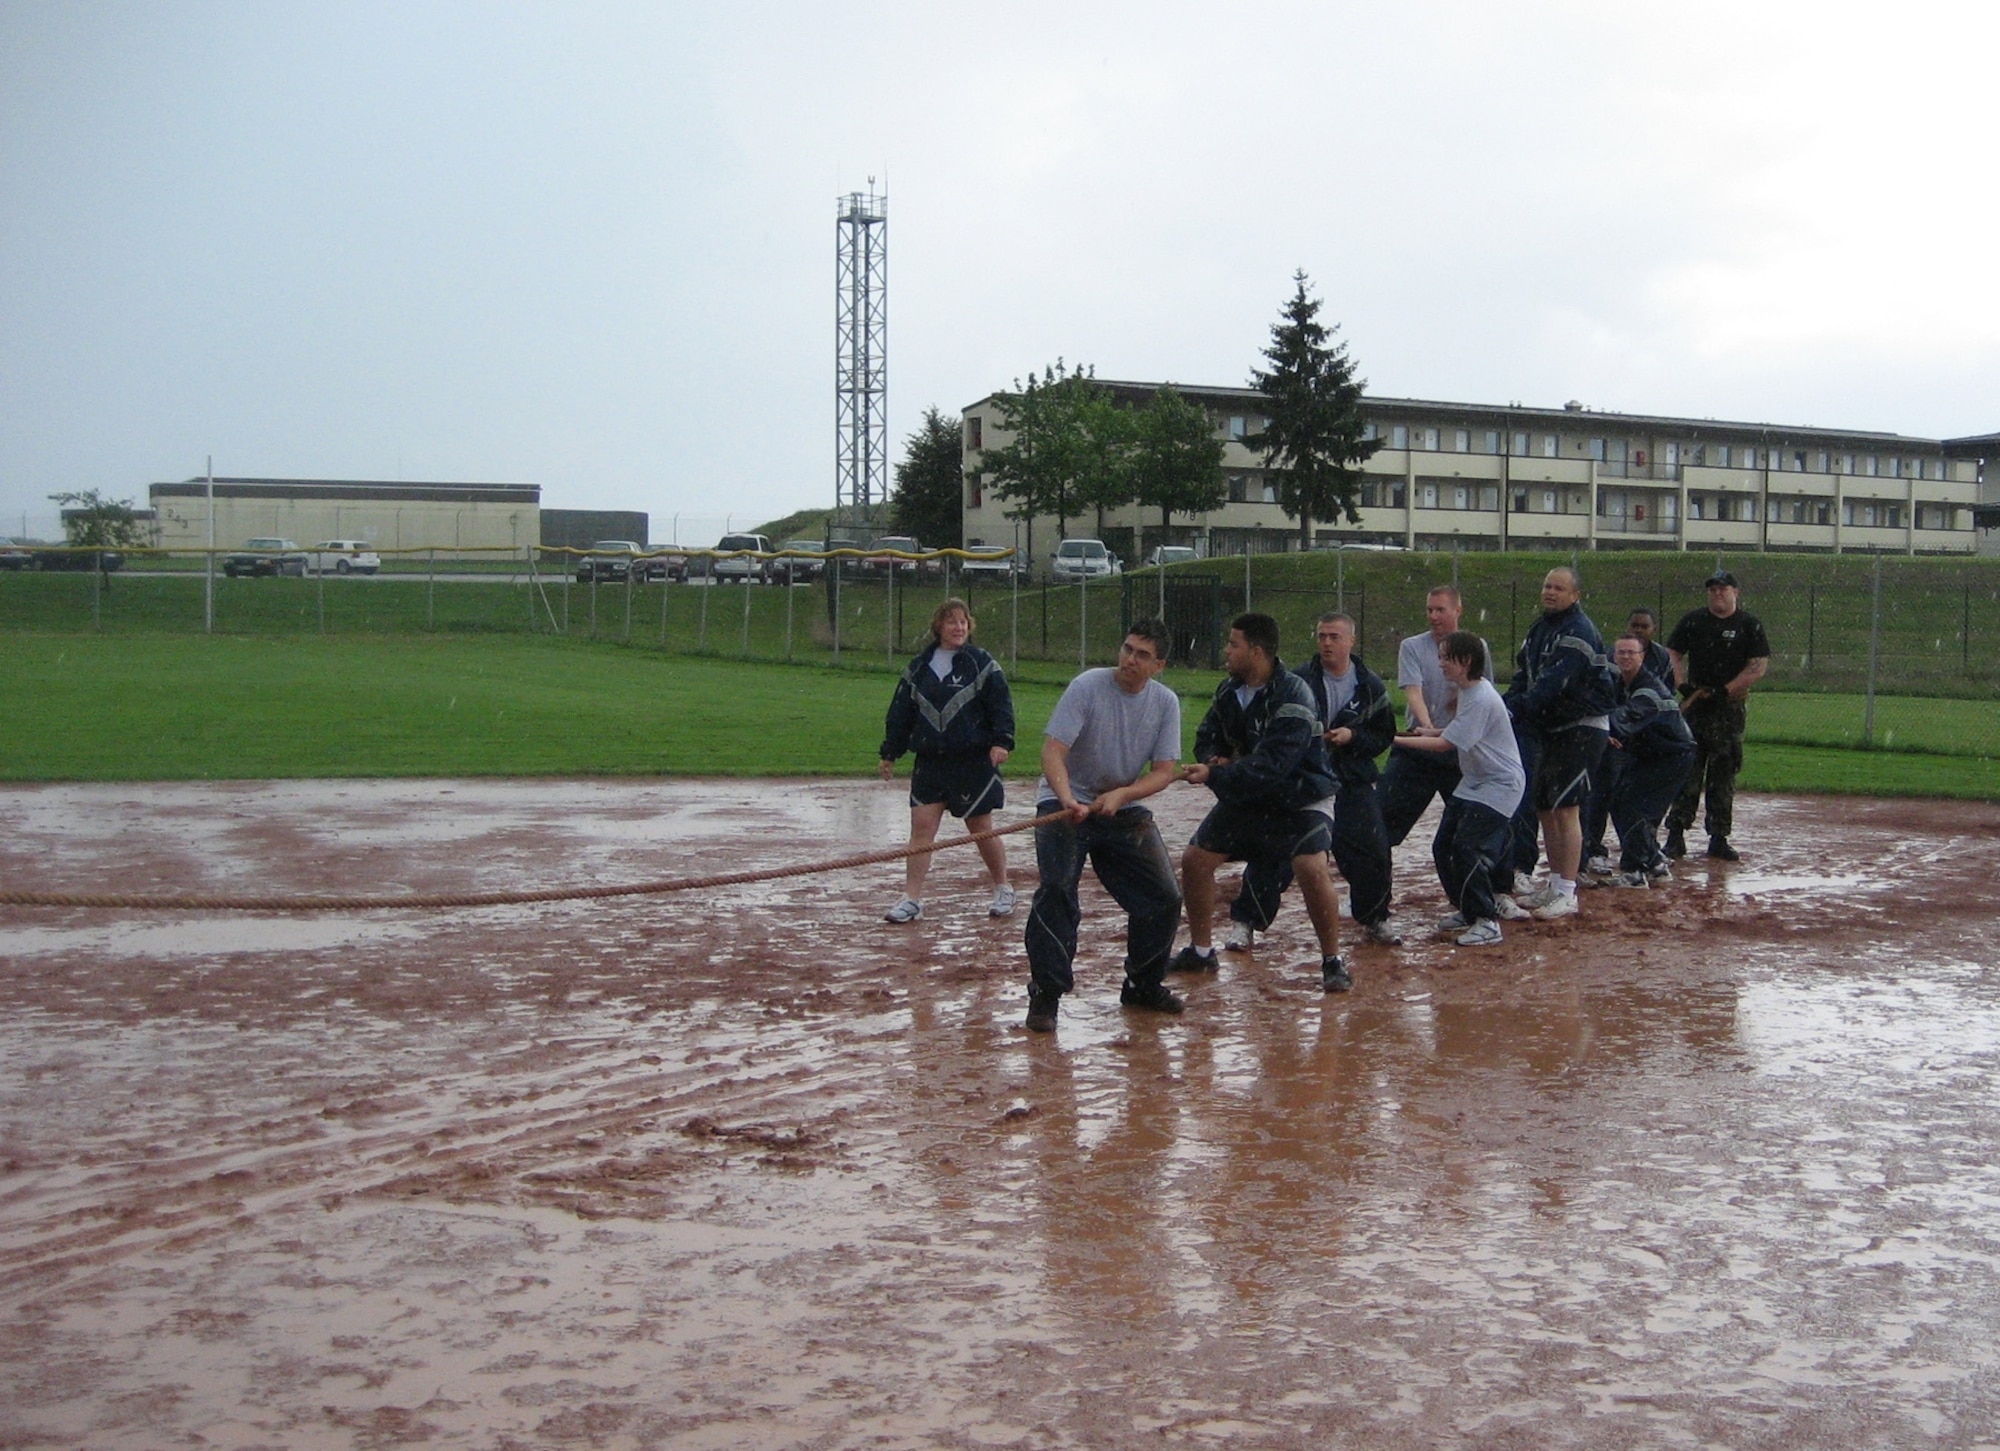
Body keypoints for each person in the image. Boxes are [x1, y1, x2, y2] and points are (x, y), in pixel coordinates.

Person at [1172, 613, 1351, 994]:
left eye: (1233, 644)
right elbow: (1207, 735)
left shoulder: (1295, 694)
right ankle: (1201, 952)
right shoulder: (1228, 690)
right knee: (1194, 861)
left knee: (1309, 866)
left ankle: (1332, 960)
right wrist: (1213, 757)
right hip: (1250, 795)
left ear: (1256, 651)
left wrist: (1217, 774)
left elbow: (1275, 765)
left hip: (1302, 796)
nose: (1226, 650)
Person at [1023, 619, 1186, 1033]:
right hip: (1063, 802)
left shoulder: (1165, 703)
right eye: (1128, 648)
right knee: (1057, 888)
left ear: (1159, 665)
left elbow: (1164, 772)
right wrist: (1066, 798)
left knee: (1164, 895)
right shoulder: (1087, 686)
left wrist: (1122, 795)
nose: (1130, 659)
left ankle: (1142, 984)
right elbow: (1052, 753)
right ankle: (1046, 993)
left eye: (1142, 655)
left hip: (1119, 806)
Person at [1224, 612, 1401, 951]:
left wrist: (1353, 737)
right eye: (1322, 636)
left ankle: (1376, 916)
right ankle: (1245, 922)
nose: (1327, 643)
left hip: (1350, 781)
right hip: (1302, 782)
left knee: (1371, 848)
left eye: (1335, 637)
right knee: (1273, 850)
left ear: (1351, 641)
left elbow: (1383, 735)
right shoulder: (1297, 680)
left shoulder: (1369, 685)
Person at [878, 598, 1016, 922]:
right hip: (930, 762)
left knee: (980, 828)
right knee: (921, 830)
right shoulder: (917, 668)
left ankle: (1003, 887)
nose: (959, 628)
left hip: (972, 761)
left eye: (964, 622)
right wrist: (890, 752)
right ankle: (911, 899)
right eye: (952, 622)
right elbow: (900, 713)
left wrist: (1002, 741)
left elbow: (1001, 705)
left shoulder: (982, 664)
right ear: (939, 625)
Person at [1393, 630, 1525, 946]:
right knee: (1444, 845)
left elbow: (1444, 746)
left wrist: (1394, 739)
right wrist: (1430, 729)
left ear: (1465, 661)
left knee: (1467, 849)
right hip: (1476, 781)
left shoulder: (1480, 696)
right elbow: (1456, 730)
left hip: (1499, 784)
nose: (1439, 664)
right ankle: (1468, 909)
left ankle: (1486, 920)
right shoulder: (1470, 690)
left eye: (1445, 658)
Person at [1503, 567, 1617, 921]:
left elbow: (1553, 685)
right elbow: (1525, 677)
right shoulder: (1541, 629)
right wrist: (1507, 704)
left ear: (1575, 595)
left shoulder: (1579, 630)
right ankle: (1554, 884)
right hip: (1553, 728)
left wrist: (1508, 711)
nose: (1549, 592)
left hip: (1581, 727)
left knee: (1566, 808)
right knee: (1545, 807)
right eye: (1547, 586)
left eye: (1558, 588)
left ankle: (1567, 891)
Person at [1664, 570, 1771, 861]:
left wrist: (1726, 690)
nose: (1718, 593)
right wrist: (1681, 683)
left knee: (1724, 773)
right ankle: (1676, 834)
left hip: (1728, 709)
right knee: (1688, 770)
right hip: (1696, 707)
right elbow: (1671, 652)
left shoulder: (1749, 625)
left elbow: (1757, 666)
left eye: (1723, 589)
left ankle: (1719, 837)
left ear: (1736, 592)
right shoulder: (1694, 621)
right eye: (1713, 589)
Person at [1379, 585, 1491, 847]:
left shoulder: (1477, 647)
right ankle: (1374, 877)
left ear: (1458, 611)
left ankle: (1497, 879)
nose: (1433, 616)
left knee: (1473, 824)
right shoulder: (1412, 647)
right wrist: (1427, 725)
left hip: (1459, 749)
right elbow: (1413, 690)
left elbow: (1481, 693)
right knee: (1381, 820)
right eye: (1430, 610)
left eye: (1440, 610)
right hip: (1419, 746)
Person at [1579, 606, 1676, 875]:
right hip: (1616, 736)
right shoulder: (1612, 658)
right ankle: (1597, 850)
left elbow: (1660, 699)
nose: (1639, 630)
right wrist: (1607, 730)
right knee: (1605, 792)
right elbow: (1603, 695)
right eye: (1634, 625)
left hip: (1644, 739)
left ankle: (1645, 853)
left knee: (1634, 801)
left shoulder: (1660, 661)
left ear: (1652, 631)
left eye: (1644, 626)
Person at [1601, 634, 1696, 886]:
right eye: (1620, 652)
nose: (1625, 657)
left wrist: (1596, 724)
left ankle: (1635, 870)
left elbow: (1621, 720)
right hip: (1653, 754)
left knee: (1634, 806)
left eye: (1631, 653)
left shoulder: (1647, 690)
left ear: (1642, 657)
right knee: (1621, 800)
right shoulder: (1623, 684)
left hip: (1672, 755)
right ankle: (1653, 863)